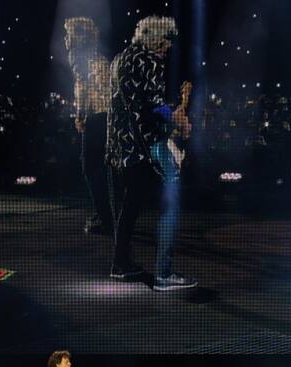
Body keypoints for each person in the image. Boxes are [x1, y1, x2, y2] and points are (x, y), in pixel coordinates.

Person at [106, 16, 197, 291]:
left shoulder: (120, 59)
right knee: (171, 202)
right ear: (156, 38)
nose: (168, 48)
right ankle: (164, 274)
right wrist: (178, 119)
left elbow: (131, 104)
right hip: (147, 146)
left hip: (121, 149)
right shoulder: (149, 60)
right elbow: (153, 105)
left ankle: (120, 264)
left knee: (130, 206)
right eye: (167, 41)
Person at [64, 18, 114, 236]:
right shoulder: (99, 58)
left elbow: (82, 89)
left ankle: (106, 219)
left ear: (79, 37)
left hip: (96, 118)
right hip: (108, 118)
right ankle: (107, 215)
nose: (66, 39)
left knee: (90, 168)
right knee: (102, 169)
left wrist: (79, 116)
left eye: (68, 35)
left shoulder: (80, 58)